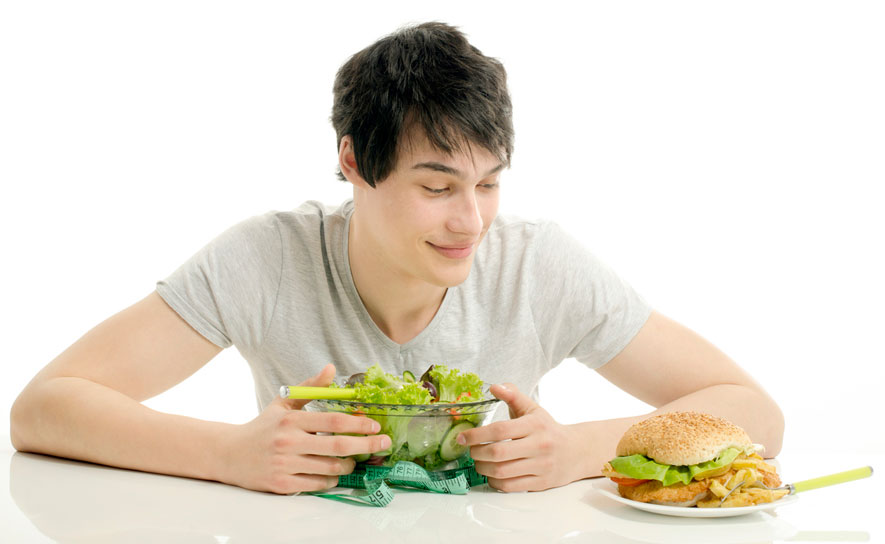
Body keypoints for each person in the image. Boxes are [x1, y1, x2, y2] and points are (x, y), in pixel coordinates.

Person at [10, 22, 784, 494]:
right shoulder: (265, 258)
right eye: (436, 185)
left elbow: (754, 415)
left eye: (487, 184)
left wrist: (576, 449)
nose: (469, 219)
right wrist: (227, 452)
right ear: (353, 161)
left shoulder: (538, 265)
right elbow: (44, 408)